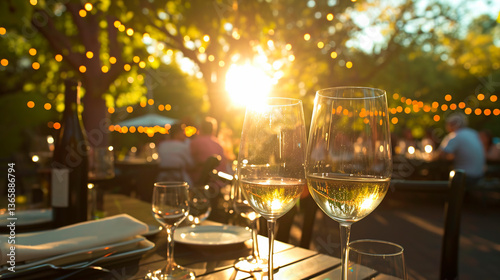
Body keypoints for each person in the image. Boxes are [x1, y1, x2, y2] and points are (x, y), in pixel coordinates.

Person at [438, 113, 486, 189]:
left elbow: (440, 155)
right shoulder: (473, 133)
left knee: (439, 175)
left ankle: (441, 198)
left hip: (465, 178)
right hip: (479, 175)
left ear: (451, 124)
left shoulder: (455, 135)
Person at [189, 117, 229, 186]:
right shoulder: (219, 144)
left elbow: (189, 163)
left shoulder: (195, 142)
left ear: (200, 128)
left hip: (199, 181)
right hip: (218, 181)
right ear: (213, 130)